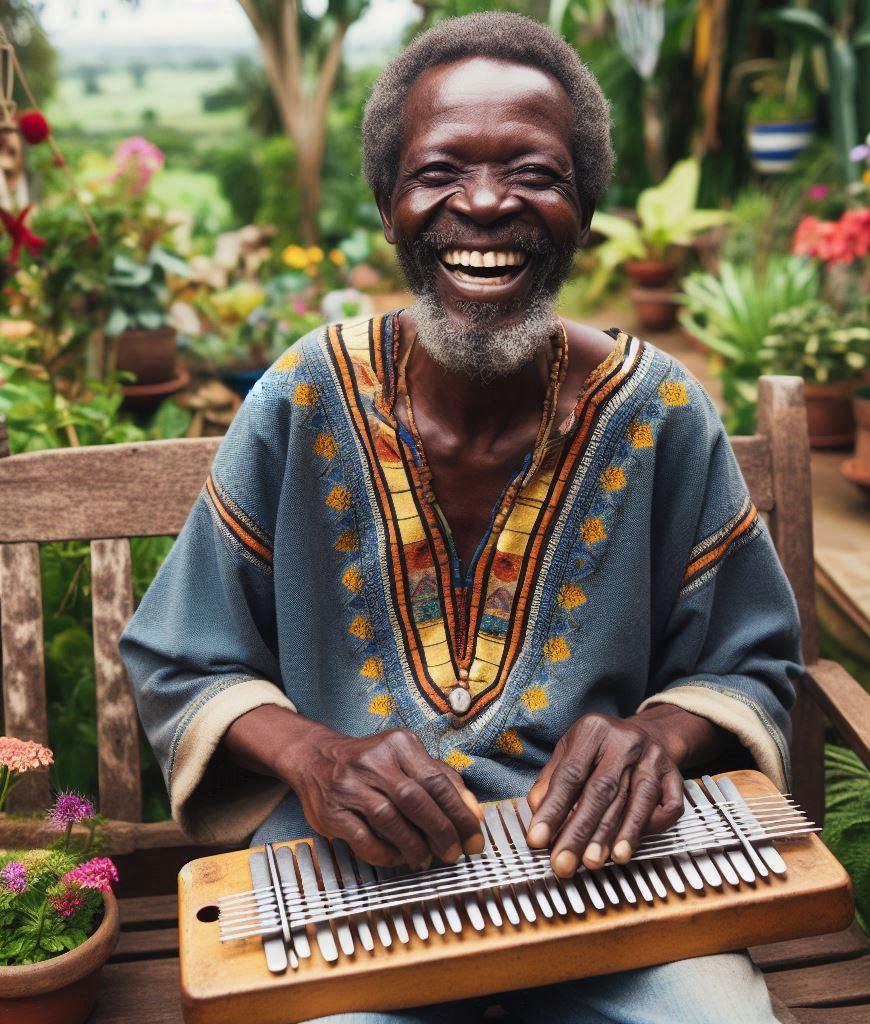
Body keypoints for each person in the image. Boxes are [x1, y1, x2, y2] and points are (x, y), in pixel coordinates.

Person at [121, 12, 801, 1023]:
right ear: (392, 201)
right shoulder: (304, 396)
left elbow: (752, 662)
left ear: (582, 205)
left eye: (534, 173)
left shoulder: (660, 413)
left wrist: (658, 734)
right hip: (346, 877)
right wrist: (317, 755)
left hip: (605, 881)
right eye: (439, 170)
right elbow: (182, 660)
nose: (484, 204)